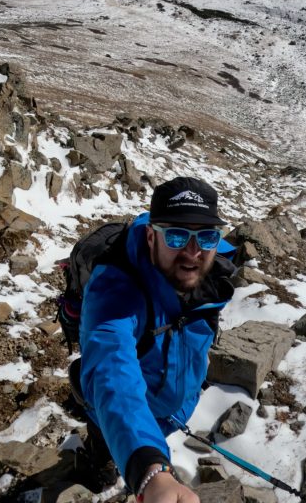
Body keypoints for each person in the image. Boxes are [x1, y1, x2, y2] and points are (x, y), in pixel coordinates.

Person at [73, 176, 235, 502]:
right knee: (104, 434)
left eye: (206, 236)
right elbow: (112, 369)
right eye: (176, 236)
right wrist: (149, 468)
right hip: (126, 410)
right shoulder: (115, 291)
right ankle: (100, 459)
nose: (193, 252)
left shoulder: (216, 267)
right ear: (151, 237)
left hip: (174, 407)